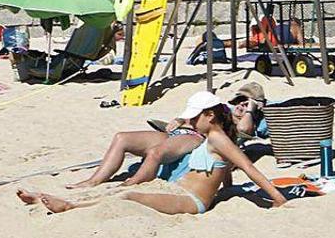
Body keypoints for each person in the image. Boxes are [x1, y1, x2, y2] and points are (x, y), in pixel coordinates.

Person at [19, 92, 287, 215]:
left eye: (194, 119)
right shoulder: (212, 138)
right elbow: (225, 171)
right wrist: (227, 190)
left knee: (127, 195)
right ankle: (45, 199)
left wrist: (277, 200)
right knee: (115, 191)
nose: (190, 123)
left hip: (192, 201)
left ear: (210, 115)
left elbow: (250, 169)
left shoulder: (218, 138)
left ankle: (69, 207)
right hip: (176, 190)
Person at [66, 92, 225, 189]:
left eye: (243, 104)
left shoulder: (228, 116)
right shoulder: (211, 110)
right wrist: (180, 120)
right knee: (122, 138)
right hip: (178, 132)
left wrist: (250, 108)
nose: (239, 107)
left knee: (156, 152)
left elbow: (241, 131)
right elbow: (192, 117)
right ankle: (94, 181)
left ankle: (134, 182)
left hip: (195, 137)